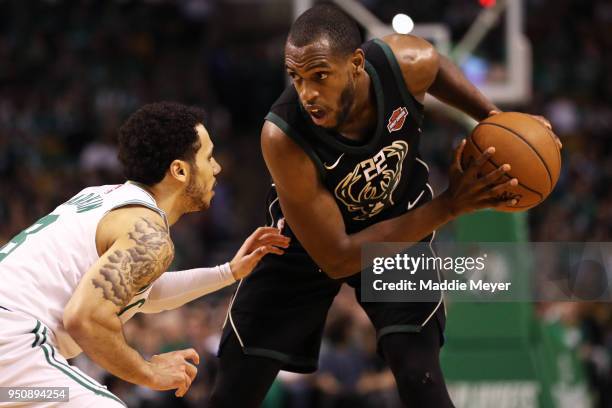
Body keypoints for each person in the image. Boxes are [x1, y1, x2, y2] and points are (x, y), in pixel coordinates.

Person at [209, 4, 558, 408]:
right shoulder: (282, 136)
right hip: (307, 248)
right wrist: (449, 205)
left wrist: (496, 118)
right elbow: (337, 257)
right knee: (235, 389)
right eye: (296, 78)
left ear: (356, 63)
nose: (307, 94)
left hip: (398, 223)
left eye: (320, 76)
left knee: (419, 374)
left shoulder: (406, 63)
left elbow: (437, 66)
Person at [0, 102, 290, 407]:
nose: (217, 167)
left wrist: (228, 271)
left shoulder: (100, 196)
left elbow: (143, 293)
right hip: (14, 338)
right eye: (208, 157)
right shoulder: (148, 232)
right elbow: (84, 318)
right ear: (179, 170)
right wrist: (147, 372)